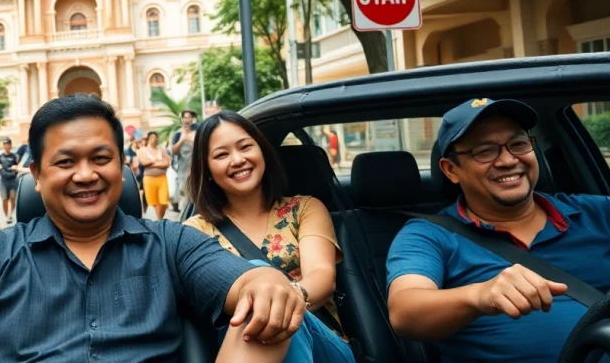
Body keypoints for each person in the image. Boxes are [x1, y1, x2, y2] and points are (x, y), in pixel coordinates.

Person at [0, 95, 313, 363]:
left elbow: (248, 281)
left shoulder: (170, 243)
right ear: (36, 176)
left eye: (101, 159)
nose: (85, 175)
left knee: (269, 317)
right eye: (65, 162)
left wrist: (268, 281)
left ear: (122, 167)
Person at [387, 98, 610, 363]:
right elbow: (405, 311)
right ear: (451, 170)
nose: (508, 160)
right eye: (484, 151)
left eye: (518, 144)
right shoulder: (428, 235)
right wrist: (480, 295)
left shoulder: (599, 212)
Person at [184, 111, 354, 363]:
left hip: (323, 344)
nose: (238, 159)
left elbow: (321, 276)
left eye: (245, 147)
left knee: (264, 288)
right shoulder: (194, 231)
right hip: (239, 346)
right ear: (207, 169)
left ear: (262, 151)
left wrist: (281, 298)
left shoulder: (304, 208)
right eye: (222, 155)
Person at [137, 131, 171, 220]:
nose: (154, 139)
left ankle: (159, 220)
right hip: (149, 179)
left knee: (164, 202)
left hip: (162, 178)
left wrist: (151, 163)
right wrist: (158, 161)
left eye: (156, 137)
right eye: (152, 137)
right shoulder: (143, 150)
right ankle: (159, 220)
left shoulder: (161, 150)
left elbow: (167, 163)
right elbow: (143, 162)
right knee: (154, 202)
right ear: (148, 139)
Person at [170, 109, 198, 212]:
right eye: (185, 117)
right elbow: (173, 151)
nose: (187, 120)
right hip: (182, 170)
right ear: (181, 119)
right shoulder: (177, 135)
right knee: (184, 197)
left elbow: (201, 148)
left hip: (196, 169)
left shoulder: (196, 132)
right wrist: (183, 139)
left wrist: (190, 139)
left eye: (189, 117)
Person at [0, 138, 22, 224]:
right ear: (3, 146)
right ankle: (7, 215)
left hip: (13, 180)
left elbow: (18, 166)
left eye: (8, 144)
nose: (6, 146)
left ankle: (10, 215)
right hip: (3, 181)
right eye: (5, 144)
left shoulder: (15, 156)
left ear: (10, 145)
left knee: (12, 198)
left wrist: (16, 168)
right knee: (4, 200)